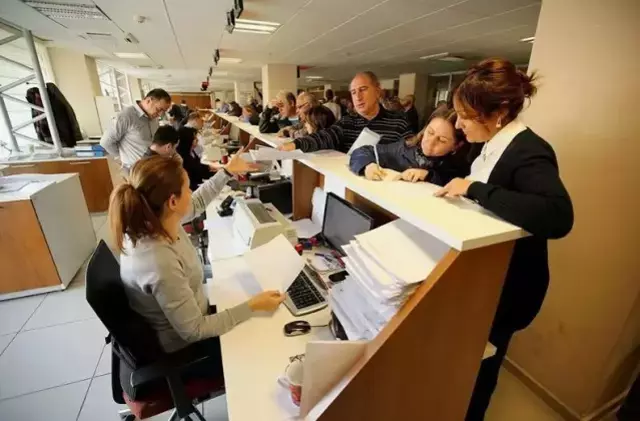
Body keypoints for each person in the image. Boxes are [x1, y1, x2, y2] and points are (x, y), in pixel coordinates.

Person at [433, 58, 574, 420]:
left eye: (466, 116)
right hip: (484, 278)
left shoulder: (529, 150)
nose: (459, 125)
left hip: (509, 289)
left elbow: (558, 216)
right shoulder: (490, 143)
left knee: (482, 371)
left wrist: (476, 188)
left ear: (500, 112)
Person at [110, 154, 282, 387]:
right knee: (269, 339)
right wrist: (252, 305)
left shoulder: (155, 219)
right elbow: (194, 330)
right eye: (188, 189)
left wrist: (227, 172)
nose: (191, 194)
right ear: (172, 201)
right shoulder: (159, 260)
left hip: (190, 315)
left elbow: (198, 204)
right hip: (185, 349)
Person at [280, 72, 413, 153]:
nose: (358, 97)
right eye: (354, 92)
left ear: (378, 91)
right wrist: (295, 144)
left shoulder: (399, 122)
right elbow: (325, 136)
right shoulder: (347, 122)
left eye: (363, 89)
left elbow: (410, 153)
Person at [350, 108, 468, 186]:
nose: (430, 143)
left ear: (456, 146)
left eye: (441, 140)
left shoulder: (461, 168)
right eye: (430, 133)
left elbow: (456, 182)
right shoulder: (403, 149)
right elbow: (363, 150)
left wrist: (428, 175)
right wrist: (368, 165)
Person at [100, 88, 171, 172]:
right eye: (159, 109)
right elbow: (106, 142)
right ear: (149, 100)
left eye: (164, 111)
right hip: (132, 169)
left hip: (149, 166)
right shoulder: (126, 116)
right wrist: (122, 157)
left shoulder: (154, 118)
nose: (160, 114)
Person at [176, 126, 216, 191]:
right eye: (194, 138)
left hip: (198, 184)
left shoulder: (191, 151)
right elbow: (197, 172)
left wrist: (209, 167)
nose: (197, 140)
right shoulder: (182, 158)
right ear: (187, 140)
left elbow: (198, 166)